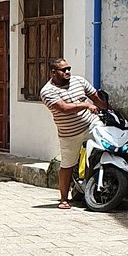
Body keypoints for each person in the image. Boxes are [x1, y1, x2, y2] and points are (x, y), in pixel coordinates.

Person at [39, 58, 106, 210]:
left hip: (91, 124)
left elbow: (95, 97)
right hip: (69, 134)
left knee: (107, 145)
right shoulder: (47, 91)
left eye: (68, 68)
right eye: (63, 70)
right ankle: (63, 198)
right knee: (67, 165)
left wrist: (107, 108)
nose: (68, 72)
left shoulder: (79, 81)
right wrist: (86, 105)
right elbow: (63, 108)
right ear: (54, 72)